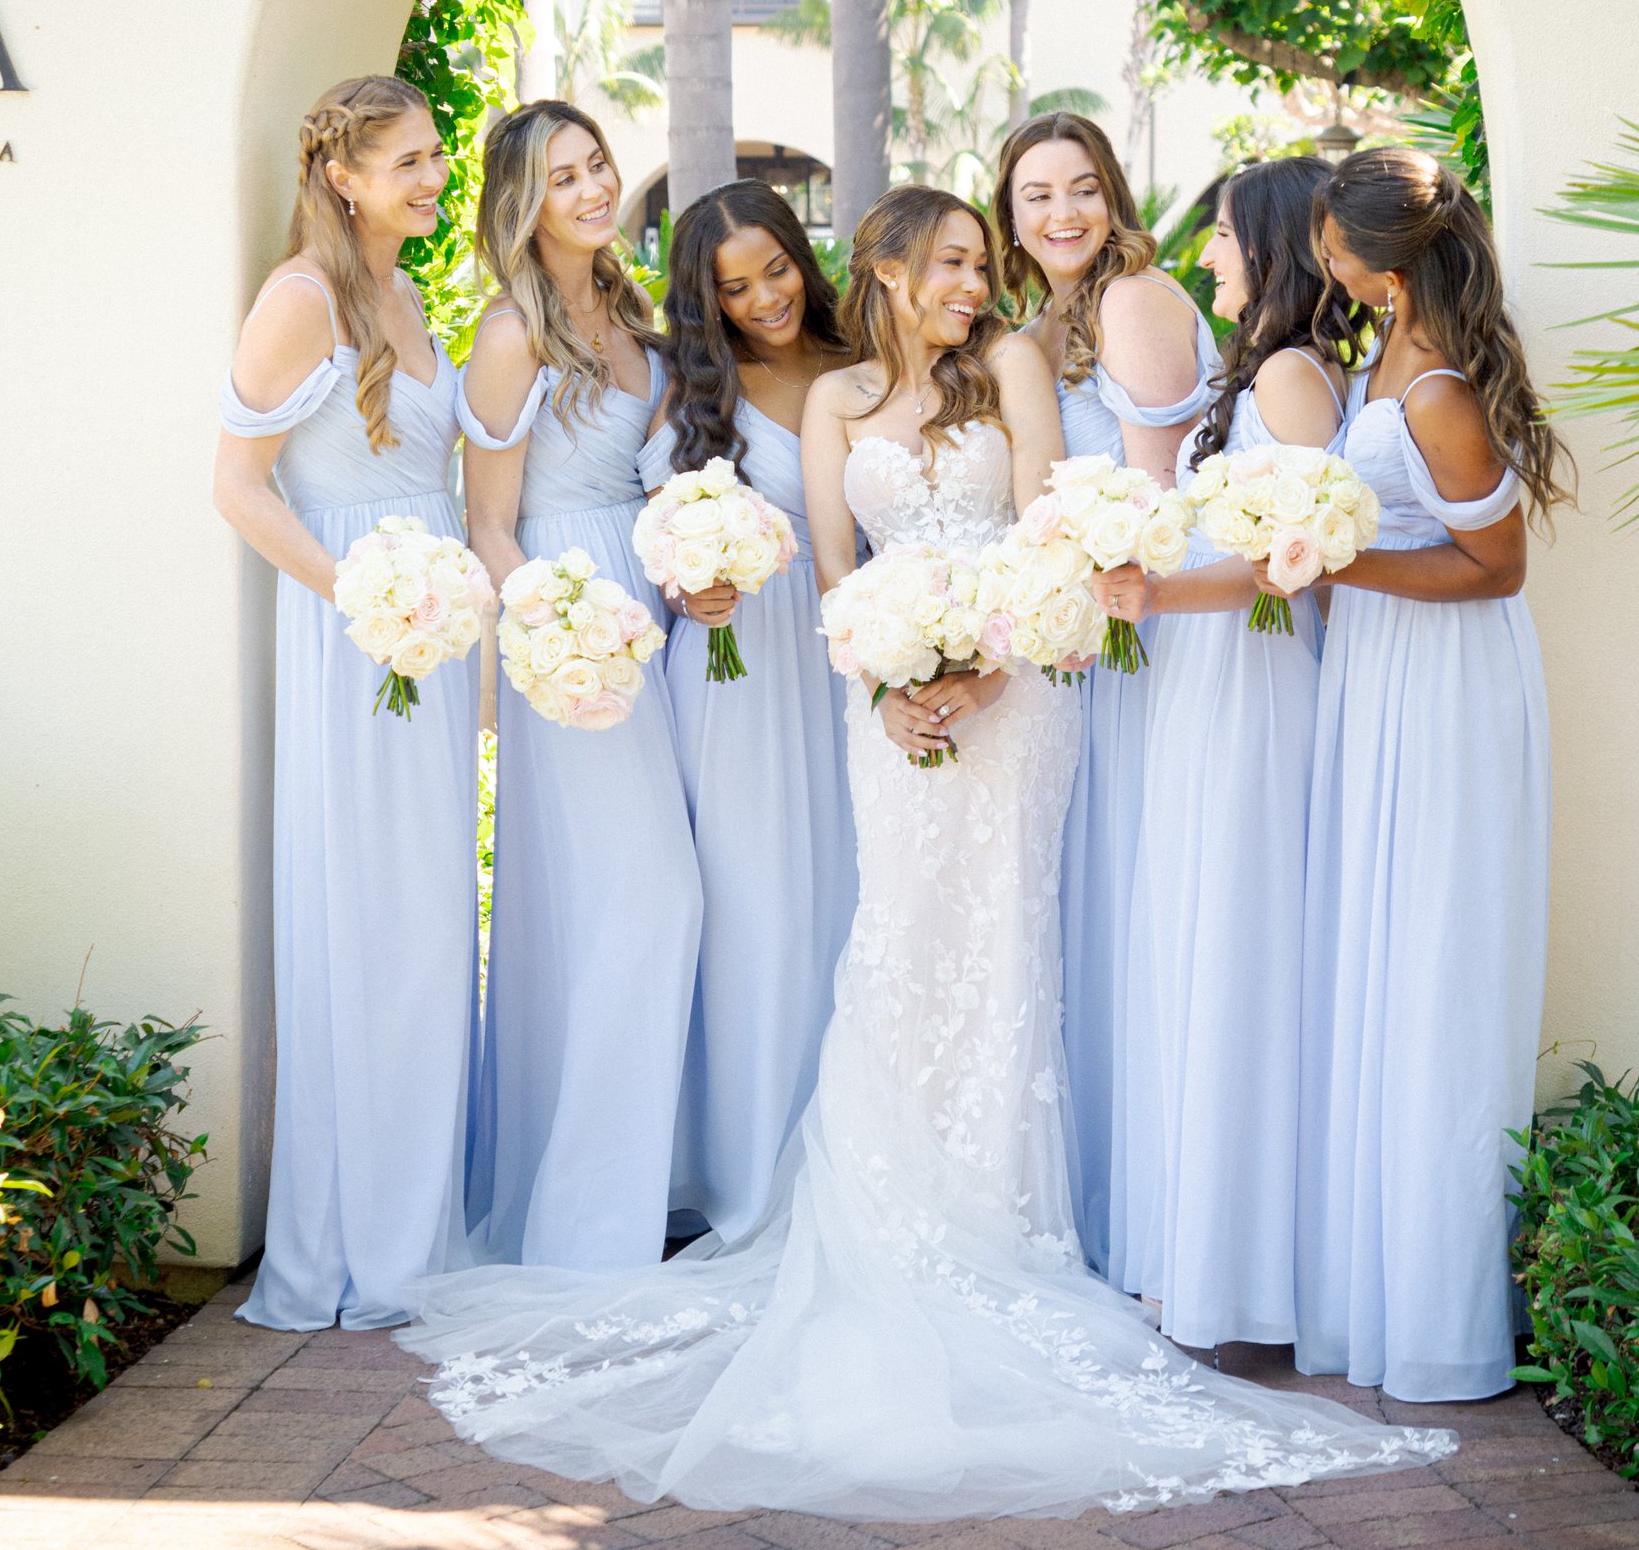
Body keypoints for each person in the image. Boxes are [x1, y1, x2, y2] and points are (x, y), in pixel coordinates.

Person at [396, 186, 1455, 1519]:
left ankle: (1007, 1222)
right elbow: (840, 567)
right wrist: (892, 673)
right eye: (949, 261)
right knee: (895, 941)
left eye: (977, 260)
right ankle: (887, 1220)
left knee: (1003, 936)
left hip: (1019, 695)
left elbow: (1033, 527)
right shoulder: (836, 399)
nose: (972, 280)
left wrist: (987, 665)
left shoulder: (1011, 358)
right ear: (887, 270)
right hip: (881, 703)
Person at [1290, 146, 1569, 1402]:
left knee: (1435, 967)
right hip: (1384, 674)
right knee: (1384, 961)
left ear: (1380, 271)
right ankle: (1372, 1290)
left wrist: (1332, 567)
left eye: (1332, 247)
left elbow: (1496, 568)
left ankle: (1440, 1322)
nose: (1322, 263)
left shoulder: (1439, 390)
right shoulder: (1382, 364)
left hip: (1447, 688)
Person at [214, 75, 475, 1328]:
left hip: (433, 633)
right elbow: (239, 487)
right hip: (355, 638)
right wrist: (363, 595)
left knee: (428, 918)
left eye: (434, 158)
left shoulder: (408, 294)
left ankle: (421, 1221)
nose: (432, 179)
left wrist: (440, 606)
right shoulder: (299, 300)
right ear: (342, 174)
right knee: (370, 921)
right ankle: (359, 1238)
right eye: (410, 162)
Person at [1093, 156, 1345, 1349]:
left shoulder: (1293, 378)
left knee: (1238, 947)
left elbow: (1292, 563)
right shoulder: (1249, 380)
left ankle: (1241, 1273)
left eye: (1226, 237)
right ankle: (1196, 1251)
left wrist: (1153, 596)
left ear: (1276, 247)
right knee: (1193, 942)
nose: (1205, 256)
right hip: (1210, 685)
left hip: (1251, 681)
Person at [458, 99, 702, 1270]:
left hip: (655, 607)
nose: (595, 188)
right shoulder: (512, 334)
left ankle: (641, 1183)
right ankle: (589, 1220)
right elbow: (488, 523)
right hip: (576, 626)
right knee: (648, 899)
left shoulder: (631, 311)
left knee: (636, 907)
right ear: (524, 202)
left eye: (598, 165)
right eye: (564, 177)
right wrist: (560, 634)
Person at [992, 111, 1220, 1279]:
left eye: (1081, 189)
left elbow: (1153, 498)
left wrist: (1083, 587)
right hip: (1099, 645)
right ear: (1009, 214)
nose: (1062, 214)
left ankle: (1165, 1220)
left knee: (1150, 901)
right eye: (1036, 196)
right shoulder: (1037, 327)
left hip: (1157, 639)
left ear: (1114, 194)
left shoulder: (1132, 299)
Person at [641, 180, 858, 1245]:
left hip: (852, 662)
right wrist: (692, 587)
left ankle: (849, 1155)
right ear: (706, 300)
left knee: (848, 901)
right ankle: (737, 1169)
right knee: (751, 912)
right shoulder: (693, 393)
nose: (764, 297)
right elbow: (661, 541)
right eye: (735, 286)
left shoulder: (861, 359)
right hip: (734, 675)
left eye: (775, 268)